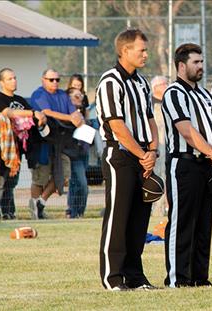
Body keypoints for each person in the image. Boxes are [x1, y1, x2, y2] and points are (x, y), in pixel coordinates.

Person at [96, 28, 159, 291]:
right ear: (125, 51)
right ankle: (113, 277)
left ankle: (135, 276)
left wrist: (153, 151)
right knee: (118, 218)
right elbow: (117, 126)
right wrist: (142, 154)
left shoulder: (142, 83)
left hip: (144, 155)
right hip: (121, 156)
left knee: (138, 220)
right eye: (141, 49)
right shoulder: (110, 81)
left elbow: (150, 119)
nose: (146, 54)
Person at [162, 43, 212, 287]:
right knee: (182, 222)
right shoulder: (174, 93)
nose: (201, 67)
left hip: (208, 165)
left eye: (202, 62)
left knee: (204, 223)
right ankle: (178, 277)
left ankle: (200, 277)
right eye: (195, 62)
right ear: (181, 65)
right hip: (185, 165)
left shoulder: (205, 94)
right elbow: (187, 131)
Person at [0, 68, 46, 220]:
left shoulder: (21, 100)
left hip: (17, 151)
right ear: (1, 82)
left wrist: (41, 117)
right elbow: (8, 113)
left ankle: (9, 213)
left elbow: (35, 121)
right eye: (9, 79)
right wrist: (34, 113)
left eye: (14, 77)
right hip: (2, 152)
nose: (14, 81)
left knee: (11, 183)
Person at [29, 69, 84, 219]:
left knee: (64, 176)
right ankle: (35, 209)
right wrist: (70, 117)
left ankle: (40, 202)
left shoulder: (62, 95)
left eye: (57, 80)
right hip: (43, 144)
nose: (55, 82)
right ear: (43, 80)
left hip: (62, 144)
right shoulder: (38, 94)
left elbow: (74, 113)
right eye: (51, 79)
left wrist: (78, 118)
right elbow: (47, 112)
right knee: (40, 179)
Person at [65, 87, 89, 218]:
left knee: (79, 183)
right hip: (73, 153)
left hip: (83, 151)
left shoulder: (83, 111)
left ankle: (79, 212)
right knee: (80, 183)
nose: (80, 98)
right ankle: (74, 211)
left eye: (81, 95)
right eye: (76, 96)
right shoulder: (68, 114)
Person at [150, 75, 168, 215]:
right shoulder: (150, 104)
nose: (167, 86)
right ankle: (156, 209)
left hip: (169, 145)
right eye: (164, 84)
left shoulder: (169, 103)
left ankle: (165, 208)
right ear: (156, 87)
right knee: (158, 175)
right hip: (157, 145)